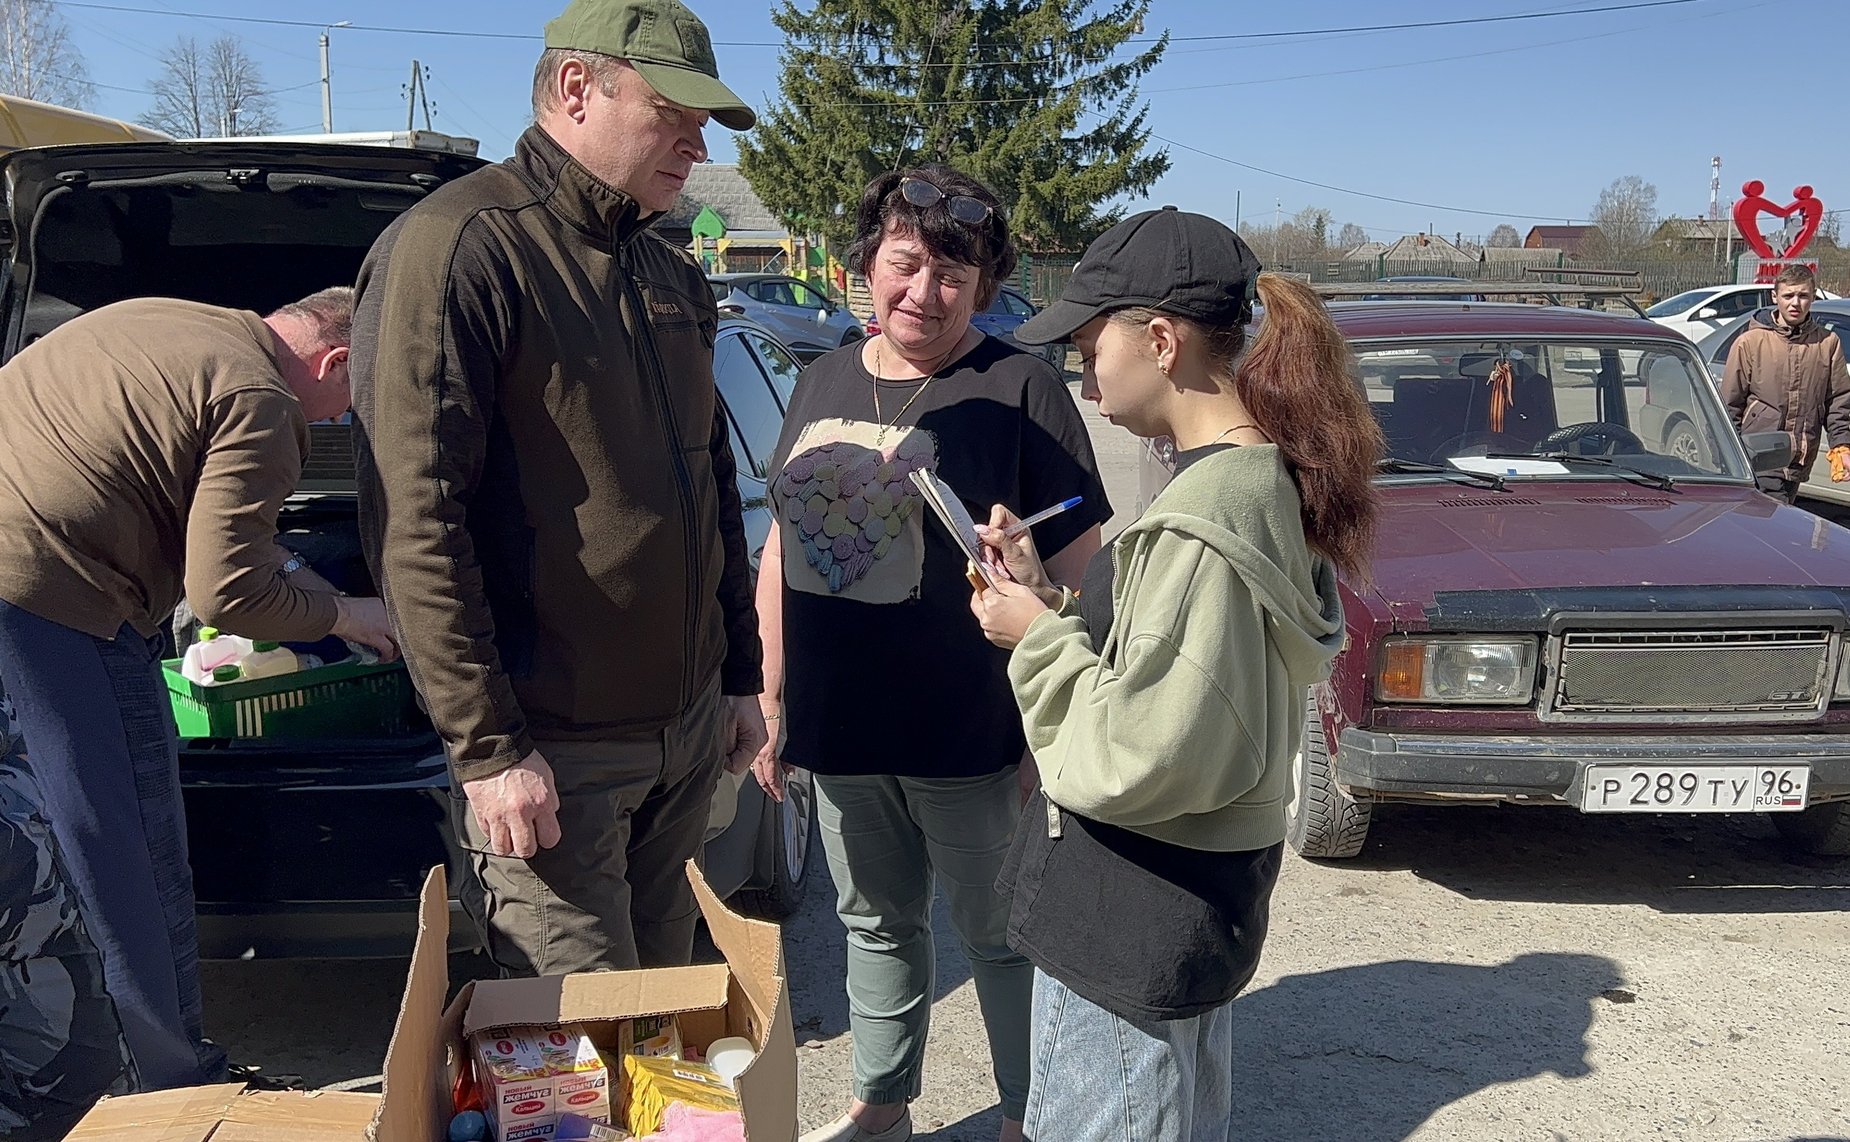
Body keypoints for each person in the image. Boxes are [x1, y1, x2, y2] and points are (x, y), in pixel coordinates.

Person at [350, 0, 767, 978]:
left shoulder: (669, 272)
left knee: (665, 1028)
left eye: (701, 122)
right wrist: (489, 748)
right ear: (577, 88)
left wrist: (739, 677)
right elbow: (416, 518)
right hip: (556, 755)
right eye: (672, 113)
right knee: (578, 1050)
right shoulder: (461, 247)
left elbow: (709, 481)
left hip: (684, 738)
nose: (696, 144)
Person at [968, 208, 1383, 1142]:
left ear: (1160, 341)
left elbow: (1140, 752)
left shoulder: (1205, 522)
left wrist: (1034, 639)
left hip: (1132, 919)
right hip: (1188, 908)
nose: (1084, 378)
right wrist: (1052, 598)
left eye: (1089, 350)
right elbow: (1183, 680)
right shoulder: (1257, 486)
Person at [752, 165, 1111, 1142]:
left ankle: (1026, 1113)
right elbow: (782, 546)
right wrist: (771, 691)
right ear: (867, 262)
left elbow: (1086, 576)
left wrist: (1055, 722)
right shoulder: (824, 377)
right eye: (904, 264)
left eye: (952, 275)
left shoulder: (1021, 388)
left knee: (998, 934)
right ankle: (881, 1103)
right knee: (873, 922)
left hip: (972, 730)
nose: (924, 292)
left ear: (984, 285)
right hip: (841, 725)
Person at [0, 288, 399, 1093]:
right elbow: (226, 595)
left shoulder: (160, 318)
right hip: (54, 603)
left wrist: (312, 583)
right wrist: (349, 616)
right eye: (352, 402)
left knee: (28, 857)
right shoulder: (264, 400)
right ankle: (173, 1083)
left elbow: (232, 536)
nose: (339, 421)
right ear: (335, 361)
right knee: (128, 854)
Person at [1720, 263, 1850, 503]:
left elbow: (1838, 402)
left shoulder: (1827, 343)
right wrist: (1729, 455)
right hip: (1759, 457)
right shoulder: (1751, 342)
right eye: (1788, 295)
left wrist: (1841, 445)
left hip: (1799, 459)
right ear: (1775, 297)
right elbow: (1730, 404)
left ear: (1813, 296)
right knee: (1771, 517)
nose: (1795, 303)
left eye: (1803, 296)